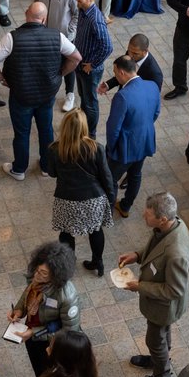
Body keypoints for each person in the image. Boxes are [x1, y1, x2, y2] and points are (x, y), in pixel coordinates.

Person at [0, 2, 82, 181]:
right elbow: (76, 58)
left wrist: (1, 79)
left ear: (26, 14)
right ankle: (46, 166)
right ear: (44, 19)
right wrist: (61, 73)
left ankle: (19, 169)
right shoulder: (57, 36)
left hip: (21, 96)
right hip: (46, 95)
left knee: (22, 133)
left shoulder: (11, 38)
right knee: (46, 130)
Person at [119, 192, 189, 377]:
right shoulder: (170, 226)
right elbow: (156, 247)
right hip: (160, 303)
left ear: (163, 219)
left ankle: (162, 376)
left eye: (149, 214)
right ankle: (159, 358)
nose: (143, 215)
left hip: (164, 306)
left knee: (155, 339)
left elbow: (174, 290)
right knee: (160, 337)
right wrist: (138, 255)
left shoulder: (176, 254)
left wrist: (139, 286)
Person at [48, 110, 114, 275]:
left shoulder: (55, 149)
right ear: (84, 127)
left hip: (66, 199)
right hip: (93, 199)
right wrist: (111, 201)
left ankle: (68, 266)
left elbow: (52, 173)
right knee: (96, 230)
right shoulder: (96, 148)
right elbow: (107, 177)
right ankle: (98, 263)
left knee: (66, 233)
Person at [10, 241, 81, 377]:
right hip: (32, 334)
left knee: (50, 375)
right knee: (38, 368)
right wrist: (18, 311)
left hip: (52, 342)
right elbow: (27, 294)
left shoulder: (67, 296)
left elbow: (68, 332)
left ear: (56, 276)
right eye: (37, 270)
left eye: (43, 273)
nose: (36, 275)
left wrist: (35, 332)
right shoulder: (37, 280)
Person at [103, 55, 160, 219]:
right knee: (135, 175)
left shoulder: (123, 96)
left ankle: (107, 210)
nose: (115, 75)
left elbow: (113, 128)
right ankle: (126, 206)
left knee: (111, 179)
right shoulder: (152, 86)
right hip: (145, 141)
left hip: (125, 147)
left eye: (114, 71)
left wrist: (111, 147)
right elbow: (155, 113)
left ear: (121, 72)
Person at [33, 0, 80, 112]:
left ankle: (69, 94)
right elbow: (35, 6)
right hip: (44, 35)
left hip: (64, 36)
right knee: (46, 63)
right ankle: (46, 91)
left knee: (68, 64)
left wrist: (70, 32)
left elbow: (76, 14)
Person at [72, 0, 113, 138]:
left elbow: (108, 47)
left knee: (90, 103)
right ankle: (84, 126)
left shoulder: (95, 19)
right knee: (84, 99)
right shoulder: (83, 11)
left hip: (90, 70)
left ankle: (91, 134)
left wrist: (93, 64)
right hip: (80, 65)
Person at [99, 33, 163, 95]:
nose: (130, 55)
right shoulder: (130, 54)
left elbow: (153, 95)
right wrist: (109, 84)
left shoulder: (155, 74)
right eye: (129, 51)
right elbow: (124, 73)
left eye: (135, 53)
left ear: (145, 51)